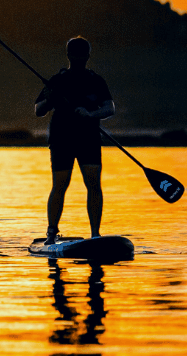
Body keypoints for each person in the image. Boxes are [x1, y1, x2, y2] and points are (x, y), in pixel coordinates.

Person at [34, 37, 114, 243]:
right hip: (62, 139)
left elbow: (109, 108)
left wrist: (90, 114)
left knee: (93, 184)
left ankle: (95, 234)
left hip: (89, 139)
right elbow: (38, 110)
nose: (78, 58)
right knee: (60, 184)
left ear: (88, 56)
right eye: (75, 54)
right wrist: (50, 98)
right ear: (68, 55)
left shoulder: (96, 81)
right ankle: (51, 233)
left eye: (82, 54)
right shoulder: (57, 81)